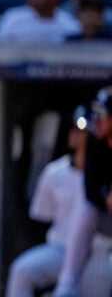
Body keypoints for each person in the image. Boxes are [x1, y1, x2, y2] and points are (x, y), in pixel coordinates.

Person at [6, 105, 112, 297]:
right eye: (73, 128)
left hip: (98, 254)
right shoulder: (54, 172)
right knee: (21, 270)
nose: (74, 133)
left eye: (81, 129)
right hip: (60, 249)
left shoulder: (104, 170)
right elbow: (41, 218)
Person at [53, 86, 112, 297]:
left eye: (103, 115)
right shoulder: (96, 142)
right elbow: (91, 192)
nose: (96, 120)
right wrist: (106, 198)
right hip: (105, 218)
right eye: (95, 114)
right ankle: (66, 284)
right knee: (87, 209)